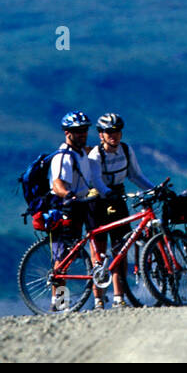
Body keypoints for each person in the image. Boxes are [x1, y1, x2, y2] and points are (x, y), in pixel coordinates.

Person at [88, 112, 155, 307]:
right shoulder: (95, 154)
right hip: (97, 201)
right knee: (99, 251)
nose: (113, 135)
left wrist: (154, 189)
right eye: (109, 132)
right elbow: (95, 180)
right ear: (101, 134)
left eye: (116, 131)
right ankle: (99, 299)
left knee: (121, 247)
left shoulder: (126, 150)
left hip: (117, 199)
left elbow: (136, 175)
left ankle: (119, 298)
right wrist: (107, 193)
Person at [49, 111, 113, 310]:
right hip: (66, 207)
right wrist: (68, 196)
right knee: (63, 257)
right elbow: (58, 183)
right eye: (78, 132)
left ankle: (100, 300)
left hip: (84, 203)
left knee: (94, 246)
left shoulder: (82, 152)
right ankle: (59, 304)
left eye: (84, 130)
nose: (82, 134)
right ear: (67, 133)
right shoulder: (63, 157)